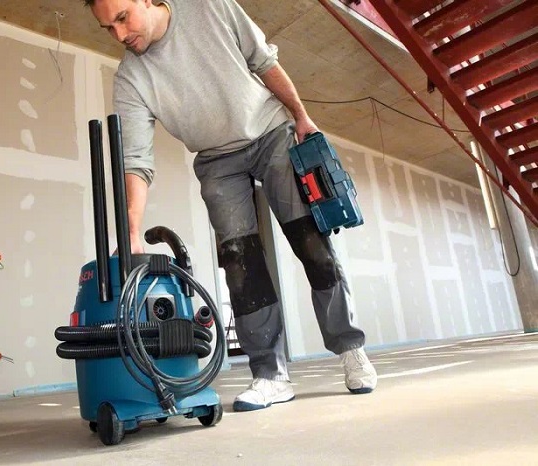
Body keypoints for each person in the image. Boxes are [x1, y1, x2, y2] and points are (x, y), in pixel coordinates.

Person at [83, 0, 377, 412]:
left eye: (121, 18)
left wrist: (301, 116)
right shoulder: (131, 78)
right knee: (240, 264)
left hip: (270, 133)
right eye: (107, 28)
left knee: (310, 241)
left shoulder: (208, 7)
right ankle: (270, 375)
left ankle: (350, 348)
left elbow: (263, 61)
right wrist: (132, 229)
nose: (119, 35)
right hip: (216, 160)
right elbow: (136, 159)